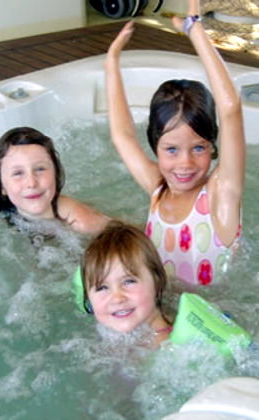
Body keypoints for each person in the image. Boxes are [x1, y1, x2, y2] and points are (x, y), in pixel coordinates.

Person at [104, 0, 245, 285]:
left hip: (209, 321)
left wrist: (196, 31)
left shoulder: (221, 195)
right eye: (171, 149)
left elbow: (230, 109)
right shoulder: (157, 189)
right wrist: (111, 62)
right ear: (155, 147)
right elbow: (122, 135)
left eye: (198, 148)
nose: (185, 163)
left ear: (213, 147)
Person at [0, 126, 109, 234]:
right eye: (18, 173)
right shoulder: (0, 217)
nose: (31, 183)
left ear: (55, 173)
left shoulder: (82, 222)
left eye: (40, 169)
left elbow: (125, 240)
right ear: (2, 186)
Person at [81, 220, 172, 348]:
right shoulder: (113, 332)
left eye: (128, 281)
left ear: (157, 281)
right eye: (102, 287)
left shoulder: (167, 345)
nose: (117, 298)